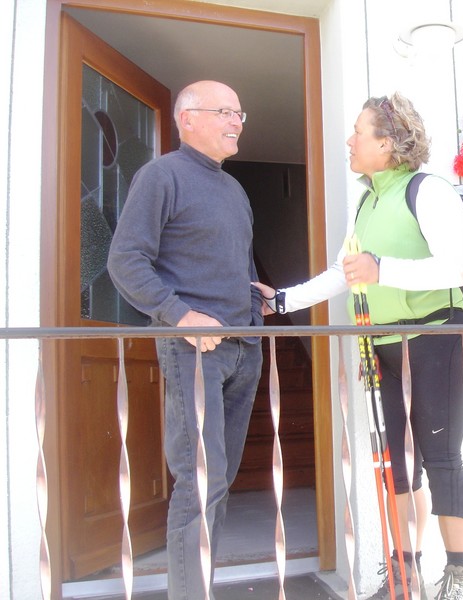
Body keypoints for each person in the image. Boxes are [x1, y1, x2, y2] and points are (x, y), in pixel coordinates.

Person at [255, 92, 463, 600]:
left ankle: (460, 577)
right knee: (396, 465)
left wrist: (382, 268)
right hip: (383, 348)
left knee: (442, 460)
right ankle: (404, 575)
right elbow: (345, 271)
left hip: (435, 341)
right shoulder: (368, 200)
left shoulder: (428, 190)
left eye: (359, 131)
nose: (349, 141)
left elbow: (455, 268)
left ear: (388, 142)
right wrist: (282, 301)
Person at [107, 80, 269, 600]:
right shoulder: (161, 176)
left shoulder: (234, 190)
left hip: (244, 350)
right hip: (194, 352)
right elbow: (125, 261)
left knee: (218, 483)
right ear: (188, 119)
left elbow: (234, 264)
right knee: (200, 482)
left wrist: (254, 300)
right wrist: (179, 316)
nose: (236, 122)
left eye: (240, 113)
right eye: (225, 111)